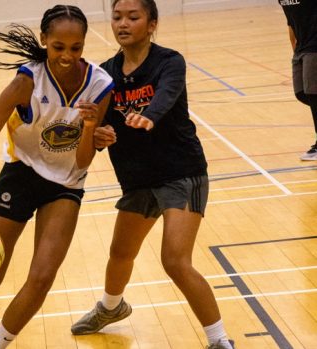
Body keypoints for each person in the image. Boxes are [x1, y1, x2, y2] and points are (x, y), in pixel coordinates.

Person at [0, 5, 114, 349]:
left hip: (66, 183)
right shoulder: (25, 82)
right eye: (58, 47)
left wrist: (91, 127)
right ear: (44, 39)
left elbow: (84, 158)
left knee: (42, 277)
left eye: (76, 48)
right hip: (21, 173)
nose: (67, 56)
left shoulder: (100, 85)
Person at [70, 1, 235, 348]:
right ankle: (111, 307)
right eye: (117, 17)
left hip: (182, 173)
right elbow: (99, 130)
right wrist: (98, 134)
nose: (123, 24)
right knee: (119, 253)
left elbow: (166, 95)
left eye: (133, 17)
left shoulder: (169, 62)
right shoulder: (104, 74)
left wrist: (151, 115)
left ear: (152, 23)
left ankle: (219, 340)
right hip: (137, 177)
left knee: (175, 260)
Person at [278, 0, 317, 160]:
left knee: (313, 94)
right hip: (300, 48)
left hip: (314, 47)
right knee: (301, 93)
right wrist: (295, 50)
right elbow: (291, 23)